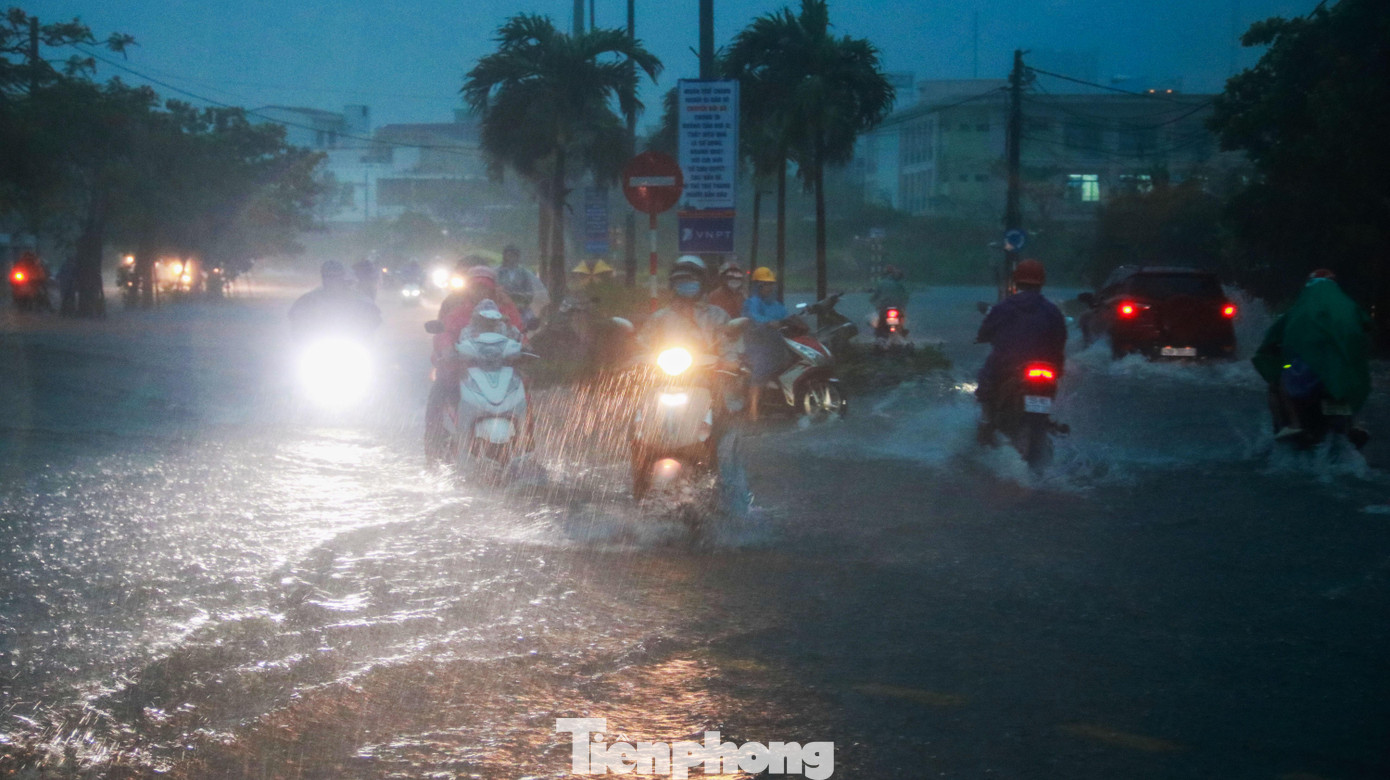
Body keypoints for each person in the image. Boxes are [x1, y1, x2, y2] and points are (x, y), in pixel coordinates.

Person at [1252, 269, 1371, 441]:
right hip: (1338, 370)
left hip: (1304, 371)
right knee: (1349, 380)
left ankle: (1294, 424)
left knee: (1278, 380)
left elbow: (1271, 339)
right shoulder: (1349, 308)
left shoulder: (1298, 310)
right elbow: (1366, 330)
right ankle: (1352, 424)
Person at [974, 259, 1067, 442]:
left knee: (985, 380)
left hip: (1008, 365)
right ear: (1042, 282)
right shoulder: (1052, 310)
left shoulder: (1003, 307)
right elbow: (1061, 339)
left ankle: (987, 423)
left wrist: (982, 337)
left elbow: (985, 332)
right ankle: (1046, 418)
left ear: (1016, 282)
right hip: (1046, 367)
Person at [741, 267, 792, 421]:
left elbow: (785, 315)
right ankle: (753, 411)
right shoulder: (751, 303)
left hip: (776, 344)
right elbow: (754, 318)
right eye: (765, 284)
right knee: (759, 372)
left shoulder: (775, 304)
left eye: (770, 284)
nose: (768, 288)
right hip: (757, 346)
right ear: (757, 286)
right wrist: (768, 323)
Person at [288, 260, 381, 337]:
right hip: (318, 344)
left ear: (342, 277)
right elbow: (295, 316)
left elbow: (374, 317)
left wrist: (364, 330)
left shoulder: (359, 299)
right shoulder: (310, 299)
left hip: (351, 343)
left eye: (335, 276)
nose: (332, 280)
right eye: (328, 276)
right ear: (323, 278)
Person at [497, 244, 551, 330]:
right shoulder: (497, 272)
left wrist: (520, 299)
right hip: (501, 309)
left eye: (514, 255)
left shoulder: (524, 273)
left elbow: (530, 292)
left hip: (521, 309)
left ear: (517, 257)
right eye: (509, 255)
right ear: (504, 256)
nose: (511, 258)